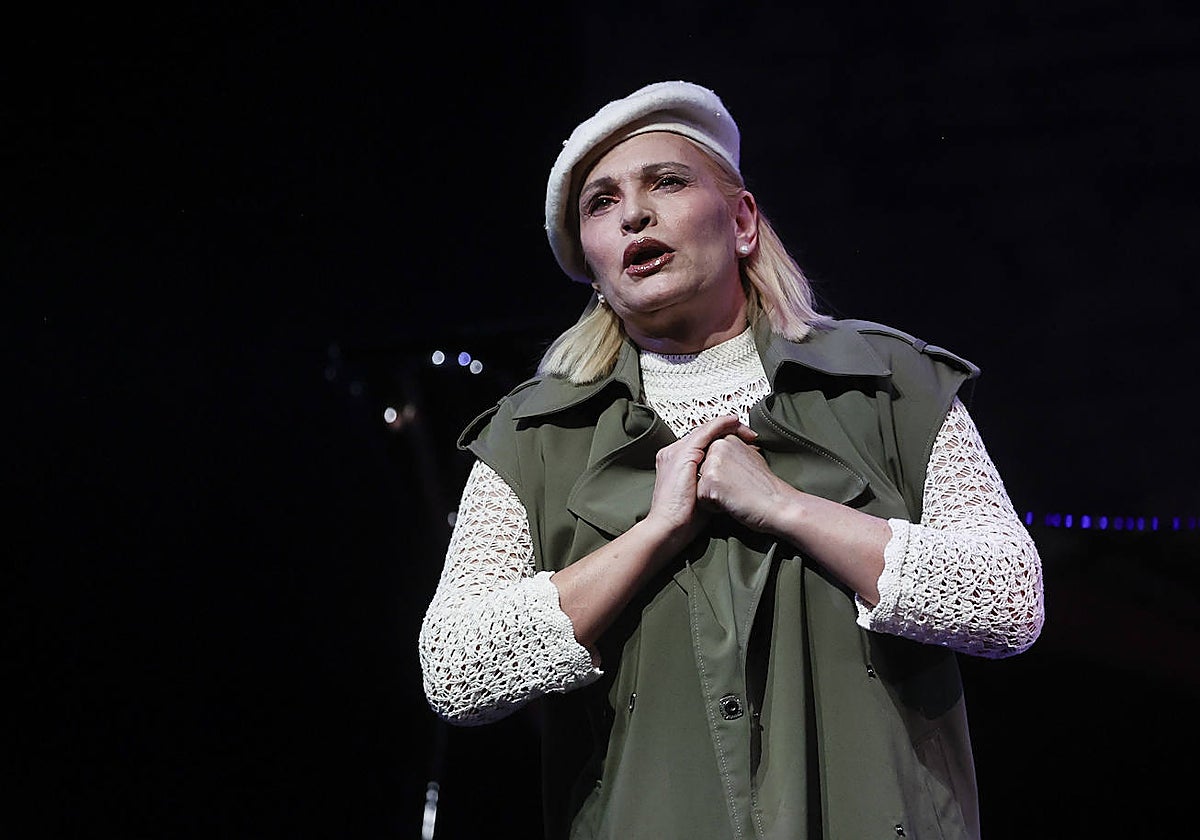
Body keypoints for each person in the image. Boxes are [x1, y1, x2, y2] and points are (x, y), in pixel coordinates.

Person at [418, 80, 1044, 840]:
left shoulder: (890, 385)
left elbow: (1009, 602)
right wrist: (653, 533)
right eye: (602, 203)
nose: (634, 215)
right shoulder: (533, 436)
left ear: (743, 220)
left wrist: (787, 507)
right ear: (591, 259)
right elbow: (456, 670)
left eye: (667, 182)